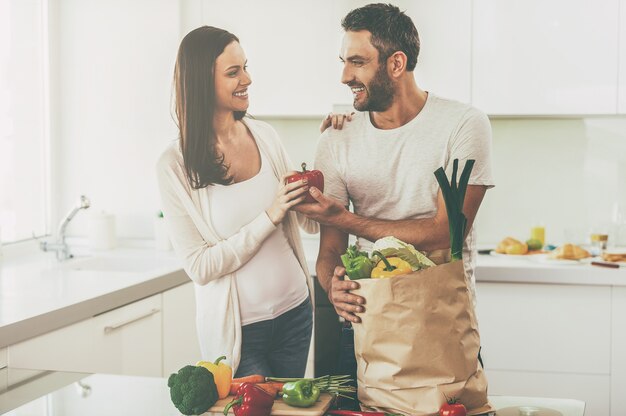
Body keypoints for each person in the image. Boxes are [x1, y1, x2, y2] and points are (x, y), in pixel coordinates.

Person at [294, 2, 495, 398]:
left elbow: (446, 232)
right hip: (370, 332)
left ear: (396, 63)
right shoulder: (337, 139)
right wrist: (332, 287)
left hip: (443, 326)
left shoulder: (463, 125)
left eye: (357, 62)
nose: (344, 76)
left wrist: (348, 219)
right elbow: (329, 254)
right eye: (343, 61)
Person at [156, 26, 318, 378]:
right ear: (201, 82)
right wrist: (269, 216)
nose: (248, 78)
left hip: (296, 314)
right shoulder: (174, 165)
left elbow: (309, 219)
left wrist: (333, 147)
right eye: (233, 72)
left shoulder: (265, 135)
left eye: (245, 67)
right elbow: (200, 266)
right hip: (241, 334)